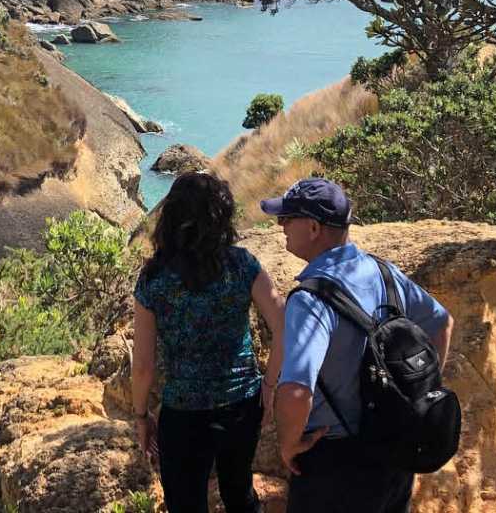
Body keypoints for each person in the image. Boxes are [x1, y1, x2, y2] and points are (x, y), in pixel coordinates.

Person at [263, 177, 454, 513]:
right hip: (395, 448)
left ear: (313, 228)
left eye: (287, 218)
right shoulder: (383, 272)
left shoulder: (310, 299)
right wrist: (414, 396)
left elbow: (296, 390)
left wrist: (289, 445)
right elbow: (442, 324)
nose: (281, 226)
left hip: (336, 463)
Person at [131, 172, 286, 513]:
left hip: (182, 413)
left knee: (185, 504)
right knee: (239, 494)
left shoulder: (154, 279)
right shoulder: (242, 265)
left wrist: (141, 416)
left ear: (170, 219)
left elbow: (142, 366)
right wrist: (270, 384)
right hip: (242, 405)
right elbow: (284, 326)